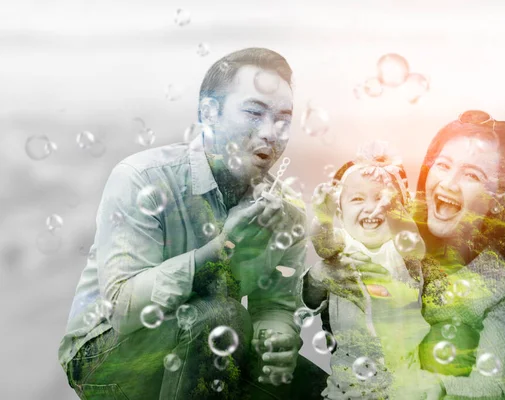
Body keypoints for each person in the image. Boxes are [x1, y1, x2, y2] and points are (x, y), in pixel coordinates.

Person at [58, 48, 325, 400]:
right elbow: (123, 309)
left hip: (211, 345)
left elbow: (273, 305)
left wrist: (277, 336)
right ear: (209, 112)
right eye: (254, 112)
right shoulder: (142, 177)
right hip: (103, 353)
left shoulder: (285, 209)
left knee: (321, 390)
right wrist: (223, 246)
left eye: (283, 119)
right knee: (219, 315)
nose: (271, 132)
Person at [410, 110, 505, 399]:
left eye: (472, 175)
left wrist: (413, 388)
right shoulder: (403, 252)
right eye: (443, 165)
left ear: (500, 200)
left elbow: (486, 389)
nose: (449, 183)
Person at [303, 142, 430, 399]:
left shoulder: (398, 250)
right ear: (340, 211)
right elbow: (322, 245)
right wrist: (323, 218)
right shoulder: (341, 246)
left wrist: (394, 211)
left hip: (402, 383)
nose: (372, 207)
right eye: (357, 199)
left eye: (383, 198)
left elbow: (415, 246)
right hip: (349, 383)